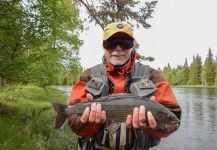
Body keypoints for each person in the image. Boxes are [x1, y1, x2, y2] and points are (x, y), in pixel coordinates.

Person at [68, 22, 182, 150]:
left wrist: (152, 125)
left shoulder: (153, 76)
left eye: (125, 43)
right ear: (104, 46)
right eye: (111, 43)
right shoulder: (88, 76)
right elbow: (73, 123)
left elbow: (174, 120)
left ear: (132, 46)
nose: (118, 48)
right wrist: (89, 122)